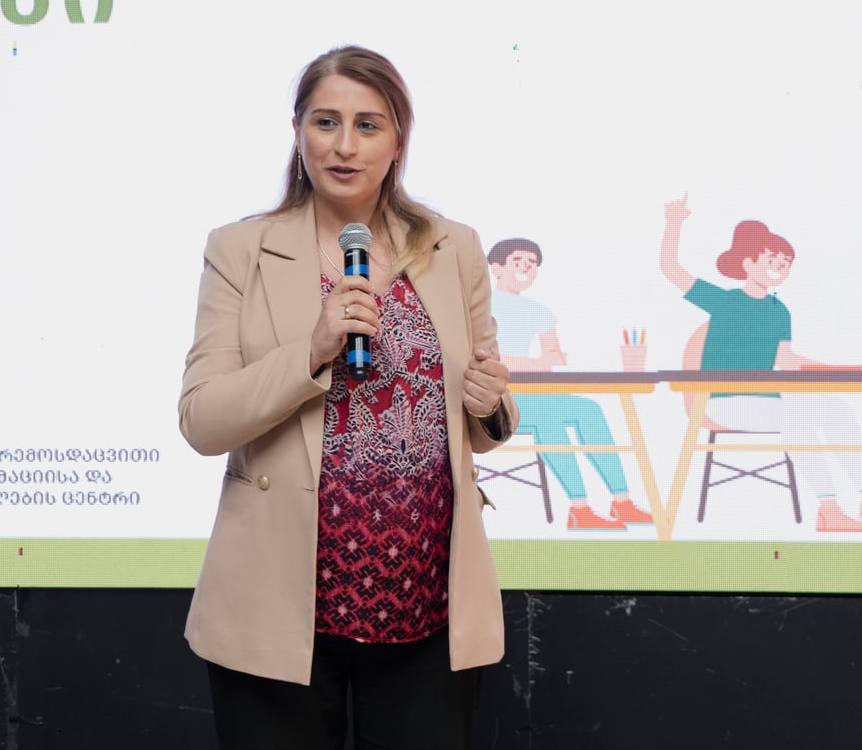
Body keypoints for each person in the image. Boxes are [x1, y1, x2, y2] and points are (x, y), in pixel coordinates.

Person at [179, 45, 518, 748]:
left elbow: (485, 422)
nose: (344, 146)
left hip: (427, 606)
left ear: (398, 141)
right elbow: (202, 419)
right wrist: (310, 350)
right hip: (279, 606)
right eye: (325, 121)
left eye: (368, 125)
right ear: (297, 131)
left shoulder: (453, 248)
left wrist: (488, 401)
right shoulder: (241, 250)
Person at [660, 194, 862, 533]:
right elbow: (671, 270)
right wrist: (674, 223)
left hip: (767, 400)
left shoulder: (779, 311)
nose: (780, 268)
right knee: (797, 417)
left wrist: (834, 371)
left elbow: (784, 359)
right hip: (721, 402)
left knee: (838, 409)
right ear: (748, 264)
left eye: (786, 263)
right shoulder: (724, 302)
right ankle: (829, 509)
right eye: (772, 260)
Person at [488, 237, 654, 531]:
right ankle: (580, 507)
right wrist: (534, 363)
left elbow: (553, 356)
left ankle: (621, 500)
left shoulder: (538, 311)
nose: (526, 267)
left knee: (589, 409)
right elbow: (489, 359)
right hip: (492, 399)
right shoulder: (481, 306)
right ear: (496, 268)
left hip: (530, 394)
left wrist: (532, 363)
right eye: (518, 261)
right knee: (548, 419)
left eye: (532, 263)